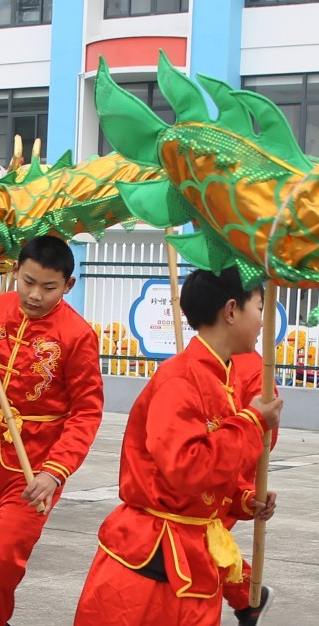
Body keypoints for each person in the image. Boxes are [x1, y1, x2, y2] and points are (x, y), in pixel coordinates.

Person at [74, 267, 282, 626]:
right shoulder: (180, 380)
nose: (263, 322)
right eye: (259, 308)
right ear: (231, 311)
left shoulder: (223, 378)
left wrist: (244, 499)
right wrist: (251, 423)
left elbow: (210, 470)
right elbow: (187, 468)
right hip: (150, 562)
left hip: (194, 556)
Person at [0, 236, 103, 625]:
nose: (35, 295)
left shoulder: (77, 335)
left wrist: (55, 472)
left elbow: (87, 411)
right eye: (28, 282)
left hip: (35, 467)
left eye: (49, 287)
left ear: (68, 286)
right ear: (15, 273)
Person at [222, 352, 277, 626]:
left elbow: (264, 437)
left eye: (258, 306)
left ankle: (247, 597)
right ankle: (247, 598)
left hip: (226, 473)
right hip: (194, 465)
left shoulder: (256, 370)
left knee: (200, 541)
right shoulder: (201, 359)